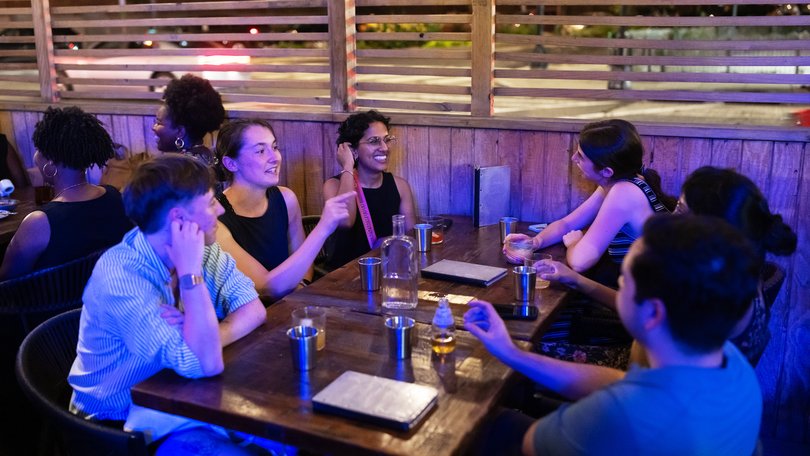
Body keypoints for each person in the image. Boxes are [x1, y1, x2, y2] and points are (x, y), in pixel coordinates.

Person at [466, 215, 763, 455]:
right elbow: (623, 384)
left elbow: (530, 444)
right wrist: (513, 353)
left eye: (625, 279)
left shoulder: (624, 414)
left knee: (488, 427)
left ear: (653, 313)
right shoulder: (731, 362)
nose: (620, 284)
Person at [68, 154, 274, 454]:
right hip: (118, 425)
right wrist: (191, 274)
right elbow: (205, 363)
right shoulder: (121, 278)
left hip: (185, 399)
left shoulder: (204, 249)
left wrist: (208, 336)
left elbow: (254, 309)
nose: (219, 209)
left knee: (287, 442)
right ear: (179, 219)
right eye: (209, 202)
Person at [540, 166, 797, 365]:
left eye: (682, 210)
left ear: (710, 228)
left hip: (648, 405)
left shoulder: (699, 294)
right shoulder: (734, 274)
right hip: (683, 404)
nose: (672, 215)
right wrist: (577, 281)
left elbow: (639, 378)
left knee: (532, 348)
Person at [504, 119, 674, 285]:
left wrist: (573, 243)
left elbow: (580, 262)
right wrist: (535, 242)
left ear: (607, 171)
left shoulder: (624, 192)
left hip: (650, 295)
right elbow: (567, 223)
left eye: (581, 156)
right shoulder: (619, 181)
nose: (573, 158)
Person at [215, 119, 355, 301]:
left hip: (291, 309)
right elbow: (267, 288)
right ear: (231, 164)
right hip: (249, 321)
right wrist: (323, 228)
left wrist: (302, 286)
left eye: (274, 147)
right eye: (260, 151)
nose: (275, 158)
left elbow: (303, 261)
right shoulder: (216, 219)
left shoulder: (286, 198)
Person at [0, 106, 132, 280]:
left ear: (50, 162)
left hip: (42, 306)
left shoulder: (39, 222)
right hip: (103, 299)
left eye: (38, 150)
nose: (36, 156)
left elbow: (6, 277)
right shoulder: (115, 197)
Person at [322, 110, 417, 270]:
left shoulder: (400, 186)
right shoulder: (333, 186)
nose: (385, 148)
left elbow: (411, 237)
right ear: (353, 150)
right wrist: (347, 166)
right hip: (342, 278)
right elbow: (345, 221)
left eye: (386, 140)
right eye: (374, 141)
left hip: (388, 272)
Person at [152, 73, 225, 165]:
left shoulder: (180, 169)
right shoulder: (208, 157)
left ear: (180, 132)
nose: (153, 127)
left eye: (159, 123)